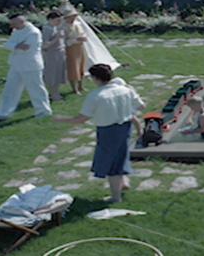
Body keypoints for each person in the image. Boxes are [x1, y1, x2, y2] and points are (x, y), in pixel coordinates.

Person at [52, 64, 144, 203]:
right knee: (119, 156)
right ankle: (123, 182)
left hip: (107, 130)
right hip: (125, 128)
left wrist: (61, 119)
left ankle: (115, 197)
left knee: (111, 163)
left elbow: (81, 119)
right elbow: (141, 106)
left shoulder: (95, 96)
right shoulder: (125, 90)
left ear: (95, 78)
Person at [0, 14, 53, 121]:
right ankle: (2, 113)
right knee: (9, 89)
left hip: (31, 66)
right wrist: (16, 46)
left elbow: (26, 49)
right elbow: (7, 45)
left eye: (14, 24)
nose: (12, 26)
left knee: (36, 90)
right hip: (16, 65)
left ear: (22, 22)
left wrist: (14, 46)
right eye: (11, 24)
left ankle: (43, 111)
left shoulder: (33, 33)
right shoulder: (16, 31)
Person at [60, 4, 88, 95]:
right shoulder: (63, 27)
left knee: (81, 66)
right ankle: (74, 88)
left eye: (73, 17)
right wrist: (75, 40)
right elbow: (63, 41)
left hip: (80, 47)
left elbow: (82, 33)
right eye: (70, 17)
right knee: (73, 67)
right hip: (70, 48)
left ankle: (81, 85)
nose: (72, 19)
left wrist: (83, 37)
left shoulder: (77, 24)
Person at [41, 11, 67, 102]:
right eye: (57, 20)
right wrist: (57, 37)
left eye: (60, 20)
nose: (59, 22)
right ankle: (52, 93)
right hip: (51, 54)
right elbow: (45, 45)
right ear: (50, 19)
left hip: (59, 53)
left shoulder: (56, 28)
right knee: (51, 74)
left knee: (58, 74)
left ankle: (56, 92)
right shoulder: (46, 30)